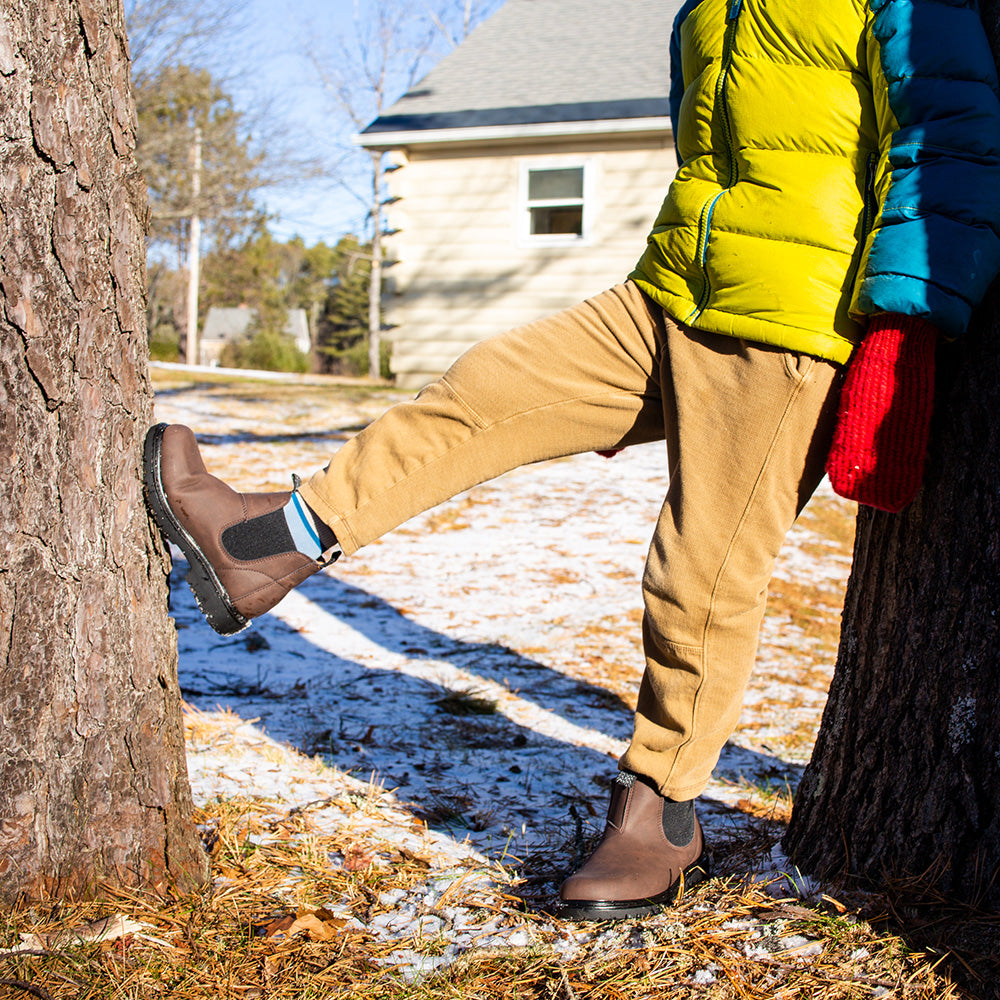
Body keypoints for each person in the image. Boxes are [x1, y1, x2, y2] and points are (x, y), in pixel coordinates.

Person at [144, 0, 1000, 921]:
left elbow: (952, 135)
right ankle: (266, 544)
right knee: (488, 391)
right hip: (670, 289)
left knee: (701, 575)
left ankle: (661, 812)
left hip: (791, 321)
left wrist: (906, 322)